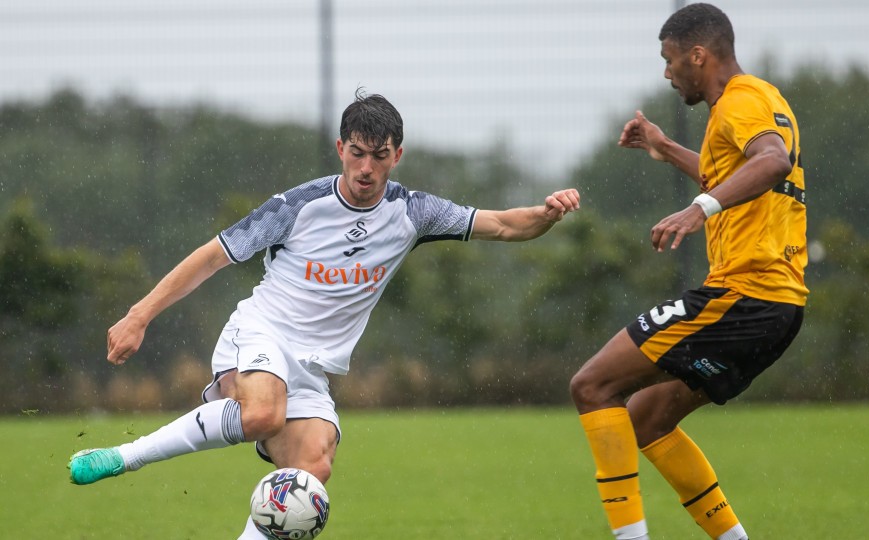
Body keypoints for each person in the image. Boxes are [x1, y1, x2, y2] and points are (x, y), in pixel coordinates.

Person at [69, 90, 581, 538]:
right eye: (356, 153)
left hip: (313, 370)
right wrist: (140, 314)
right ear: (341, 149)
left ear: (397, 155)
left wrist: (546, 213)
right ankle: (124, 457)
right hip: (259, 332)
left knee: (311, 471)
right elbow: (211, 257)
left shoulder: (413, 213)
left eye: (379, 156)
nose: (365, 168)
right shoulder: (298, 205)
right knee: (264, 411)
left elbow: (506, 225)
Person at [569, 4, 807, 540]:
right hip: (779, 306)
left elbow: (772, 162)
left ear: (698, 55)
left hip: (745, 295)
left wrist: (699, 208)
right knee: (647, 419)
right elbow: (738, 171)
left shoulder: (739, 102)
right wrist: (665, 147)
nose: (666, 72)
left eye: (670, 59)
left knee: (593, 385)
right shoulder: (763, 97)